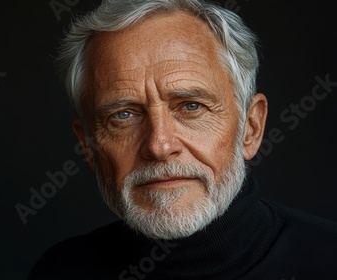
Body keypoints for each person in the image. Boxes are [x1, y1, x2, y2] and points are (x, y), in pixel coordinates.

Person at [29, 0, 337, 279]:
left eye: (191, 106)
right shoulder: (59, 271)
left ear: (251, 128)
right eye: (123, 115)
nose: (159, 146)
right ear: (88, 145)